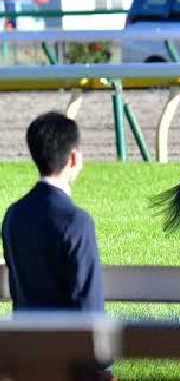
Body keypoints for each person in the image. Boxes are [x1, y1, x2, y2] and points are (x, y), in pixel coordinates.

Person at [2, 111, 104, 312]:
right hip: (67, 340)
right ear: (74, 158)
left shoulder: (13, 215)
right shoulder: (77, 221)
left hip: (25, 338)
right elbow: (90, 305)